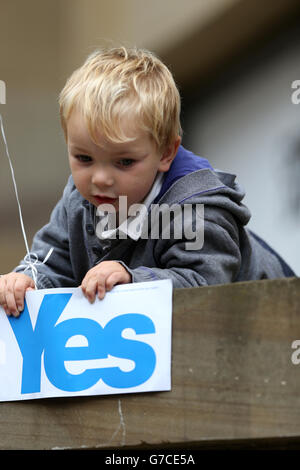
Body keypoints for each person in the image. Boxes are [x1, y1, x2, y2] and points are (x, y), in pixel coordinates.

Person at [0, 46, 294, 317]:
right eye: (84, 159)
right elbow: (50, 260)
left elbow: (206, 287)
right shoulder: (79, 201)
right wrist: (26, 280)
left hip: (275, 329)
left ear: (166, 153)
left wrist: (133, 279)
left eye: (124, 162)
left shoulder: (197, 211)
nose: (100, 179)